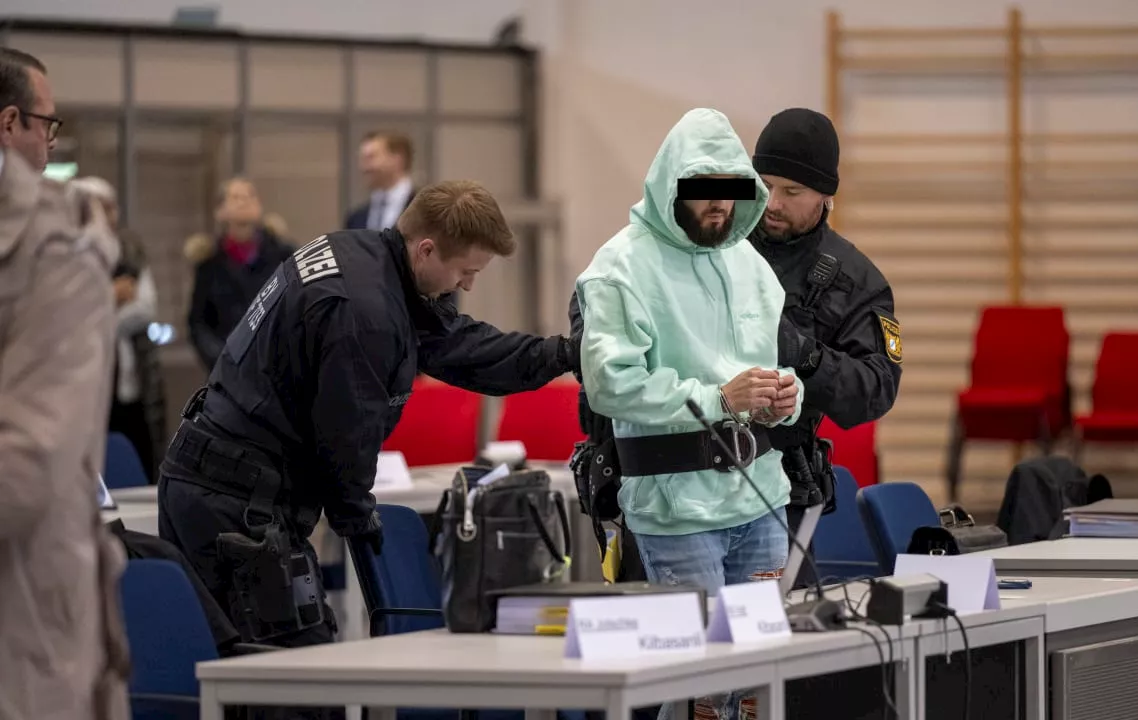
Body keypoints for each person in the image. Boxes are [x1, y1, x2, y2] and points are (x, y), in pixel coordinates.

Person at [157, 180, 578, 660]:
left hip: (215, 481)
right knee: (292, 687)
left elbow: (462, 348)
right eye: (466, 271)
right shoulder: (366, 310)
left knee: (253, 676)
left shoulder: (364, 259)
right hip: (232, 503)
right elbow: (346, 430)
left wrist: (560, 354)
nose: (467, 285)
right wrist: (358, 514)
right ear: (426, 250)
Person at [575, 108, 802, 720]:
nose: (720, 208)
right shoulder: (619, 267)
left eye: (730, 195)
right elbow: (610, 386)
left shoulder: (751, 266)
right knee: (696, 691)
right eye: (704, 193)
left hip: (761, 500)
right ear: (672, 186)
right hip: (675, 510)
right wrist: (716, 399)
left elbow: (763, 369)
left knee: (755, 684)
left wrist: (786, 396)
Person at [0, 46, 129, 720]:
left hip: (22, 631)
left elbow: (27, 469)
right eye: (50, 127)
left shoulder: (57, 254)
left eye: (50, 127)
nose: (50, 144)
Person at [748, 108, 902, 584]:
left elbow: (876, 389)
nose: (772, 203)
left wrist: (807, 357)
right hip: (685, 485)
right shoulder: (714, 243)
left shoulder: (855, 281)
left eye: (792, 192)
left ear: (825, 196)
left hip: (779, 494)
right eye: (764, 184)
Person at [73, 175, 167, 482]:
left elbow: (145, 309)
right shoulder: (66, 252)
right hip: (89, 382)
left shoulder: (130, 249)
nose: (107, 215)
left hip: (135, 380)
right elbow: (71, 317)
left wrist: (101, 316)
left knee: (142, 454)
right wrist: (111, 295)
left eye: (111, 207)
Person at [187, 176, 294, 373]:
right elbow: (198, 323)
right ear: (220, 211)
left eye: (250, 196)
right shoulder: (209, 263)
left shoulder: (284, 255)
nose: (244, 201)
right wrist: (221, 358)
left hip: (276, 365)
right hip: (227, 366)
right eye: (235, 197)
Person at [345, 130, 416, 230]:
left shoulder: (426, 212)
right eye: (362, 159)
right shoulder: (355, 218)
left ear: (397, 159)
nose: (363, 167)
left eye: (370, 158)